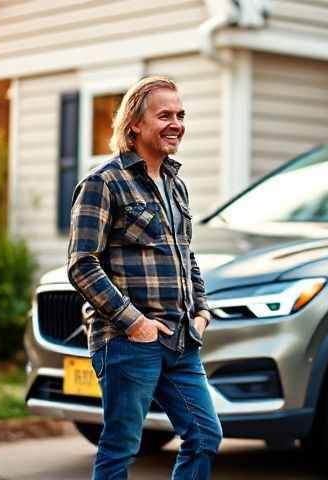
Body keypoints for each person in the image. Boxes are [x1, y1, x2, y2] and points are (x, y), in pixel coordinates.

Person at [67, 76, 223, 479]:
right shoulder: (104, 183)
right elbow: (82, 264)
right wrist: (134, 323)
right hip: (128, 341)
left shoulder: (176, 185)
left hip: (181, 338)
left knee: (206, 436)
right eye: (165, 115)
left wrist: (201, 312)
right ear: (134, 124)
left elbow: (186, 256)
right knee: (121, 447)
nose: (176, 124)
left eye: (181, 115)